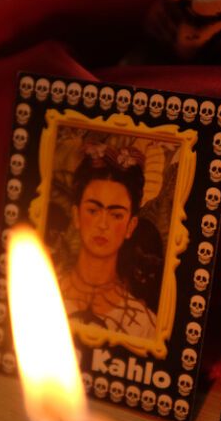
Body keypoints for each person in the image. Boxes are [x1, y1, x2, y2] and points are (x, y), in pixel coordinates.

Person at [57, 142, 159, 339]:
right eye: (93, 211)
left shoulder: (144, 326)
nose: (103, 224)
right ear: (76, 215)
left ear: (131, 226)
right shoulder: (41, 298)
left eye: (116, 215)